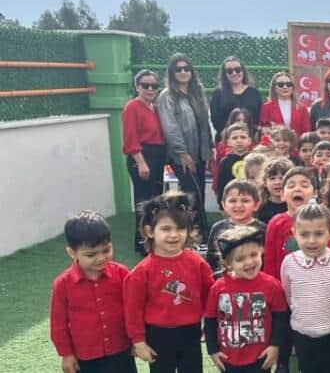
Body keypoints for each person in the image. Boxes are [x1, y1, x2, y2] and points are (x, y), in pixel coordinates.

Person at [124, 193, 215, 373]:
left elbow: (210, 296)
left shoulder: (197, 263)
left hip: (191, 332)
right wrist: (138, 341)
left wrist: (212, 326)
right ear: (150, 231)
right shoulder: (142, 271)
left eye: (180, 228)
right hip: (158, 335)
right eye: (166, 229)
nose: (174, 235)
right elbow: (133, 309)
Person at [50, 211, 136, 373]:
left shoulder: (122, 273)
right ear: (72, 253)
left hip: (122, 351)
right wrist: (66, 354)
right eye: (91, 254)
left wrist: (137, 339)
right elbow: (58, 324)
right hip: (85, 357)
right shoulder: (62, 284)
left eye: (106, 250)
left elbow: (134, 309)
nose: (101, 258)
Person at [203, 225, 288, 372]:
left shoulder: (272, 285)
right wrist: (213, 350)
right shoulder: (218, 288)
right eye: (240, 259)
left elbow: (281, 318)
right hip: (228, 358)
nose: (249, 262)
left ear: (261, 252)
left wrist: (275, 345)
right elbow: (210, 321)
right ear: (228, 263)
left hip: (260, 358)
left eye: (253, 255)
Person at [281, 202, 330, 373]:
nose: (311, 240)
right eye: (304, 234)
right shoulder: (289, 263)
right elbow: (289, 297)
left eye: (319, 233)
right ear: (294, 234)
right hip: (304, 337)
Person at [156, 53, 213, 239]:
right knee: (192, 194)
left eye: (186, 68)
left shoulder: (196, 92)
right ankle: (198, 233)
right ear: (172, 73)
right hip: (181, 155)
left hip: (200, 152)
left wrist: (209, 148)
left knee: (200, 194)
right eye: (178, 69)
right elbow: (170, 127)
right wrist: (182, 153)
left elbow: (205, 123)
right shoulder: (167, 96)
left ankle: (198, 231)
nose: (183, 72)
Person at [123, 69, 167, 255]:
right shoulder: (132, 107)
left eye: (154, 85)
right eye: (145, 85)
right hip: (142, 157)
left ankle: (152, 240)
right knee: (143, 202)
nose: (150, 89)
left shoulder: (156, 107)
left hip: (157, 157)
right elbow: (130, 139)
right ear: (137, 86)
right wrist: (141, 162)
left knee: (155, 201)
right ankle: (142, 243)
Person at [263, 167, 317, 279]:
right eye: (291, 186)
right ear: (282, 194)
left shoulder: (322, 220)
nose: (297, 189)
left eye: (304, 186)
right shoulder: (276, 223)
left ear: (314, 193)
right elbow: (270, 262)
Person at [206, 179, 266, 279]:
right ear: (224, 205)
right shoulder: (218, 228)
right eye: (233, 201)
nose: (238, 205)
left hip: (255, 281)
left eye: (245, 201)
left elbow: (267, 261)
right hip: (224, 283)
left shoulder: (262, 230)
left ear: (256, 205)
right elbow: (211, 259)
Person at [209, 56, 262, 139]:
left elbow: (259, 117)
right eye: (229, 71)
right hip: (226, 140)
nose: (234, 73)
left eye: (237, 69)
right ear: (225, 74)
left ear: (243, 71)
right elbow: (216, 120)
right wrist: (231, 138)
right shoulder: (218, 94)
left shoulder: (254, 92)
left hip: (251, 139)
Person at [259, 72, 311, 137]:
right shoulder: (266, 107)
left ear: (292, 87)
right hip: (274, 145)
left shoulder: (302, 108)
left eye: (289, 84)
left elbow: (306, 131)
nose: (285, 87)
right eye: (281, 84)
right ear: (274, 88)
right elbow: (265, 130)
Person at [215, 124, 253, 203]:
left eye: (243, 137)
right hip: (232, 200)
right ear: (228, 142)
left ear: (249, 140)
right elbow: (221, 185)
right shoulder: (225, 162)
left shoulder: (254, 160)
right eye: (235, 138)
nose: (239, 140)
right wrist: (221, 204)